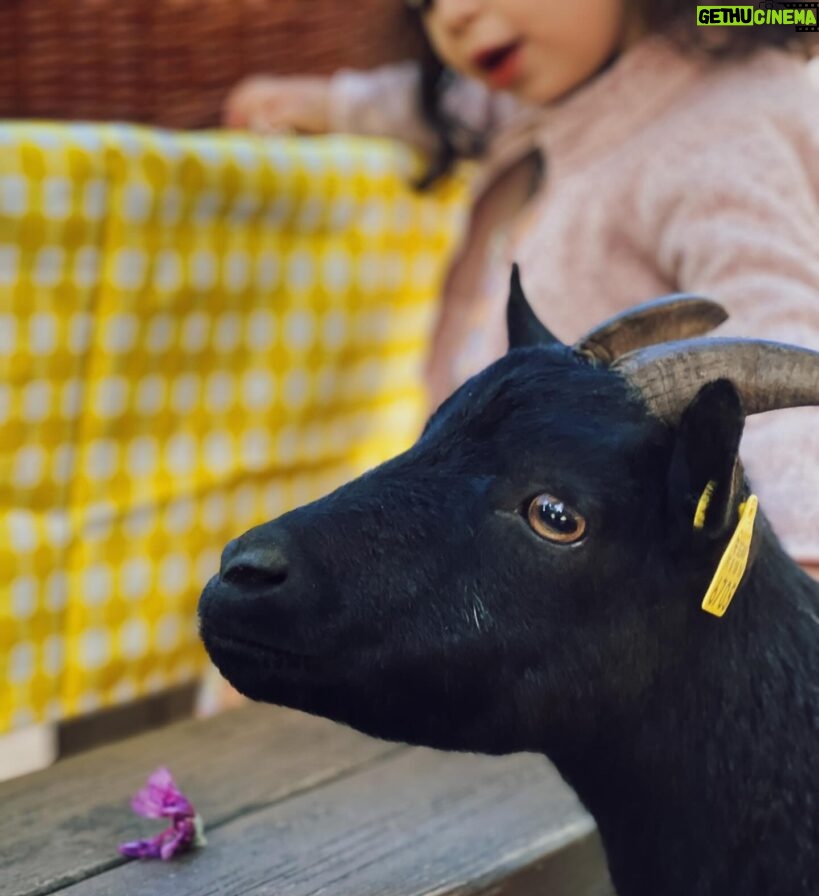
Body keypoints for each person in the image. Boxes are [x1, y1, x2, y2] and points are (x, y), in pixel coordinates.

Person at [224, 0, 819, 574]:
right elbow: (448, 108)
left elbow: (776, 351)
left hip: (596, 587)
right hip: (493, 526)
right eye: (422, 1)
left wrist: (801, 551)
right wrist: (323, 104)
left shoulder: (724, 131)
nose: (452, 15)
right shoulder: (563, 82)